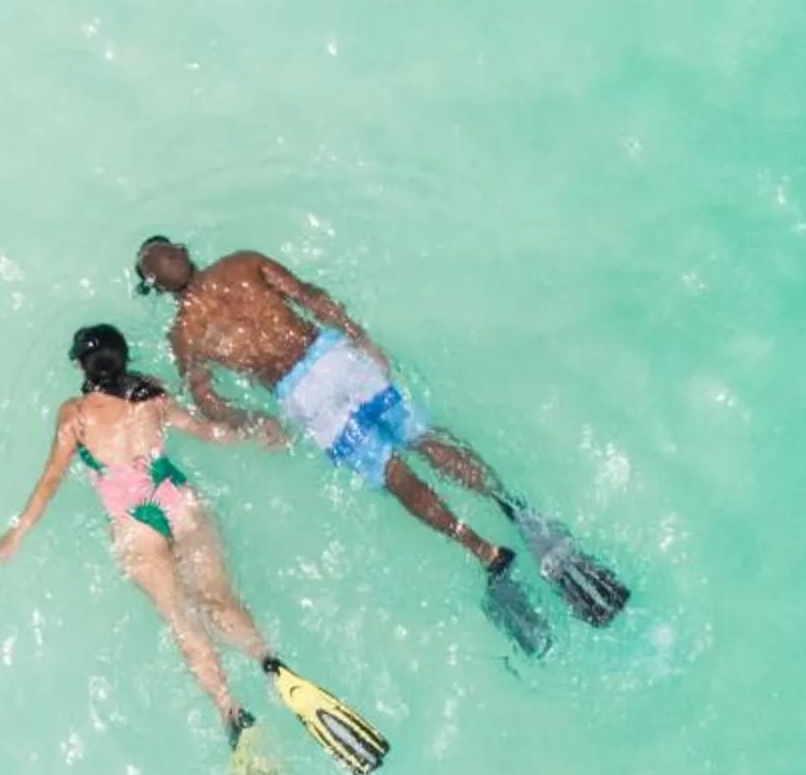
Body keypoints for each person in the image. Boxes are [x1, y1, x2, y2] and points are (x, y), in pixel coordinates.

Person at [131, 235, 629, 656]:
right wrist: (358, 336)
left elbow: (209, 403)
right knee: (422, 437)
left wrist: (257, 422)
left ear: (153, 288)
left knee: (393, 474)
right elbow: (310, 296)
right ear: (182, 250)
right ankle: (513, 507)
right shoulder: (241, 263)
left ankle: (486, 552)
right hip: (332, 358)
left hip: (301, 397)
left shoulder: (185, 335)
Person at [0, 323, 393, 775]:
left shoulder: (74, 415)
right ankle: (272, 666)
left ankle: (230, 712)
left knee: (180, 617)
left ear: (80, 368)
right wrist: (253, 430)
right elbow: (207, 430)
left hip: (135, 525)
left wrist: (15, 536)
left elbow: (50, 480)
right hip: (178, 502)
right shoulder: (150, 390)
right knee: (219, 599)